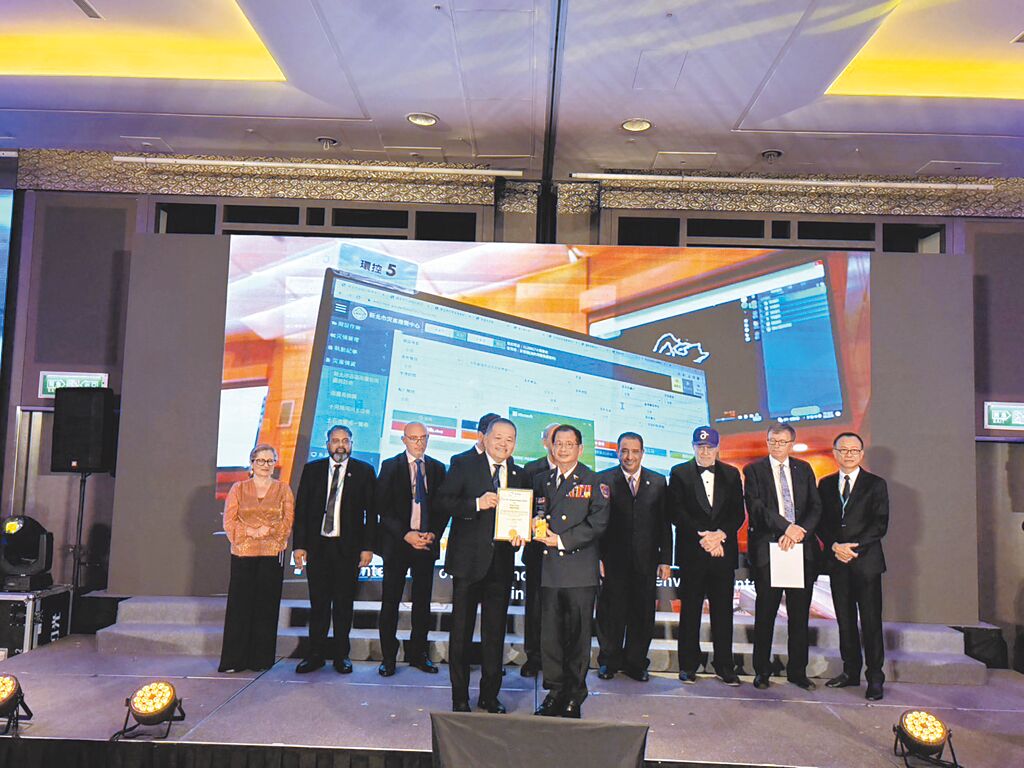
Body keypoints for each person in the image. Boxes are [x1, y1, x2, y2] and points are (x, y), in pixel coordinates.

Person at [437, 418, 529, 713]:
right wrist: (476, 503)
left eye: (510, 439)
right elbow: (443, 501)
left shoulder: (519, 473)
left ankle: (490, 696)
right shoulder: (463, 463)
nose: (504, 444)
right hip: (467, 564)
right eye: (498, 438)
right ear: (485, 438)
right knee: (461, 633)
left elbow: (522, 517)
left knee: (495, 634)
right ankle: (460, 696)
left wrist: (520, 537)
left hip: (501, 565)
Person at [532, 425, 609, 719]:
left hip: (579, 571)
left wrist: (561, 540)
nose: (563, 449)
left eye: (569, 444)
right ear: (551, 447)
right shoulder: (541, 480)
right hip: (549, 570)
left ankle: (574, 696)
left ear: (580, 448)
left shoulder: (594, 480)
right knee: (550, 636)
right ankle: (554, 692)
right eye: (558, 444)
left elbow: (598, 523)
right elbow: (536, 514)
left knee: (578, 637)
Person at [292, 425, 376, 674]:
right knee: (318, 604)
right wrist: (299, 545)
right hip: (318, 548)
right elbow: (302, 511)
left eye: (345, 440)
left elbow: (371, 514)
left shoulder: (364, 471)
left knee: (343, 605)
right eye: (336, 440)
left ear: (351, 444)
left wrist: (368, 548)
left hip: (348, 549)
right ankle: (315, 655)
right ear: (327, 444)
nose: (341, 445)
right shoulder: (312, 470)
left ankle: (341, 656)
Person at [743, 424, 822, 691]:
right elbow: (756, 507)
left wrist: (799, 532)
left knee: (799, 617)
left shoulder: (804, 469)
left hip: (801, 550)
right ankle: (761, 671)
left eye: (782, 441)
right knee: (765, 614)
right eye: (772, 441)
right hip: (769, 551)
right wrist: (786, 528)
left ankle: (797, 672)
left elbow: (815, 507)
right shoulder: (753, 470)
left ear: (791, 444)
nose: (776, 446)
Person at [667, 427, 745, 686]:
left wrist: (720, 535)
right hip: (693, 553)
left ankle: (724, 666)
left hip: (722, 553)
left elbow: (738, 513)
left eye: (710, 446)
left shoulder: (732, 474)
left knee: (723, 612)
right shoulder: (679, 473)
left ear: (717, 448)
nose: (705, 451)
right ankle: (688, 666)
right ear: (693, 447)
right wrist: (705, 537)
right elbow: (676, 512)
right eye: (700, 446)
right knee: (690, 611)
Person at [818, 432, 889, 701]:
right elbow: (821, 522)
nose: (848, 454)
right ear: (835, 453)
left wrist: (852, 548)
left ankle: (875, 678)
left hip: (866, 564)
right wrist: (835, 545)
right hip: (837, 563)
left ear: (861, 454)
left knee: (870, 622)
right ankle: (850, 672)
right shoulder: (825, 484)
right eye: (843, 449)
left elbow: (879, 524)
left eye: (853, 450)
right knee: (845, 621)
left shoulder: (876, 484)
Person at [595, 431, 671, 682]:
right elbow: (597, 523)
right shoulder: (603, 479)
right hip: (612, 561)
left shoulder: (658, 481)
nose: (629, 456)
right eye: (624, 451)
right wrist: (597, 557)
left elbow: (664, 523)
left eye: (634, 451)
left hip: (646, 562)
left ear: (642, 453)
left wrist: (665, 559)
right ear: (617, 452)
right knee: (611, 613)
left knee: (642, 613)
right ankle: (608, 662)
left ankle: (636, 663)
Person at [375, 422, 447, 677]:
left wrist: (433, 532)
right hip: (398, 544)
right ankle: (388, 657)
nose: (419, 442)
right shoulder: (390, 466)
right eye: (413, 438)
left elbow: (443, 507)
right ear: (403, 440)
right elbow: (381, 507)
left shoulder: (438, 468)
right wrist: (406, 534)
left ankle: (418, 654)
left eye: (423, 438)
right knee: (390, 602)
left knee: (422, 603)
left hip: (426, 543)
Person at [219, 444, 295, 673]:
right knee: (239, 607)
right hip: (243, 553)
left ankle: (261, 660)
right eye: (260, 460)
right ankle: (234, 660)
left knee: (266, 608)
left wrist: (268, 532)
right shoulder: (238, 488)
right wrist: (251, 532)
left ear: (275, 464)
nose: (265, 465)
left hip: (272, 554)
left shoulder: (283, 489)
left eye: (270, 461)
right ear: (252, 463)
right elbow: (229, 521)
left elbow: (288, 521)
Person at [520, 422, 562, 678]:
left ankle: (557, 659)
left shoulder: (581, 473)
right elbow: (520, 506)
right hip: (536, 552)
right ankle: (533, 658)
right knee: (535, 606)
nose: (559, 444)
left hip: (566, 553)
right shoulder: (531, 470)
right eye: (554, 438)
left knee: (560, 609)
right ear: (545, 442)